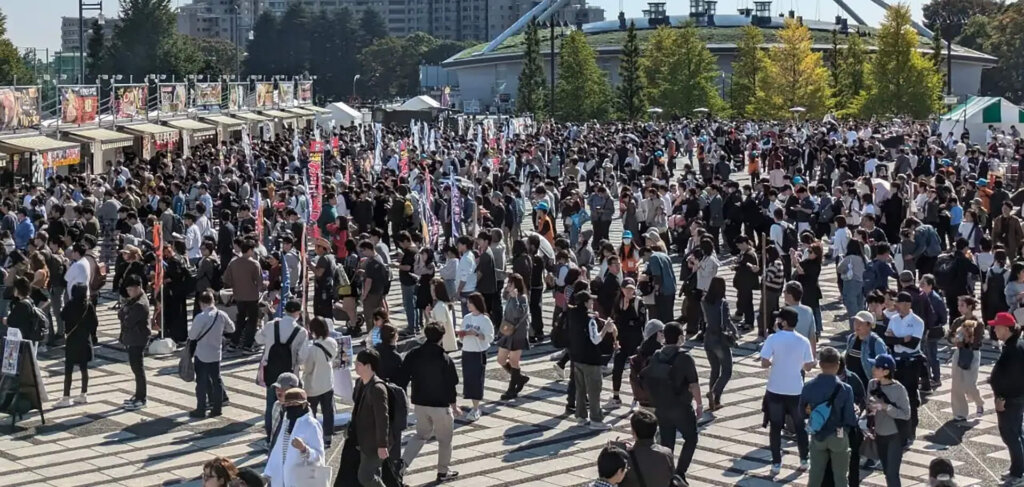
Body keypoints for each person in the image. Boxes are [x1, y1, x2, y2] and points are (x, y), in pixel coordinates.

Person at [400, 322, 461, 483]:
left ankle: (401, 466)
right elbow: (451, 384)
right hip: (440, 406)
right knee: (445, 440)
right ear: (442, 337)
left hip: (420, 404)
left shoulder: (414, 354)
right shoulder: (444, 358)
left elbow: (403, 377)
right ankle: (443, 471)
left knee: (420, 435)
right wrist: (454, 405)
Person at [760, 307, 814, 476]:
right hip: (795, 389)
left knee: (775, 426)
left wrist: (775, 362)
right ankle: (804, 459)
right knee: (800, 426)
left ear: (783, 322)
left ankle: (776, 463)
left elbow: (764, 362)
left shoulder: (773, 338)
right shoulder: (803, 340)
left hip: (775, 388)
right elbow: (809, 366)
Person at [644, 322, 701, 480]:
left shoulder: (656, 355)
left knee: (667, 444)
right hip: (681, 406)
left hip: (661, 406)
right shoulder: (685, 358)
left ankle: (666, 475)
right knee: (691, 438)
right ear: (680, 338)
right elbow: (694, 384)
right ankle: (680, 473)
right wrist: (700, 405)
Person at [800, 346, 858, 487]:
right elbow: (850, 418)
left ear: (820, 364)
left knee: (815, 475)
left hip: (818, 435)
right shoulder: (845, 389)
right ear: (838, 365)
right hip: (838, 435)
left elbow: (801, 413)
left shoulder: (808, 387)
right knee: (841, 478)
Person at [257, 300, 308, 442]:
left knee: (271, 403)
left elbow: (258, 339)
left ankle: (270, 435)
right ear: (298, 313)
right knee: (290, 403)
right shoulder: (301, 331)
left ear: (285, 310)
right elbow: (302, 357)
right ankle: (288, 432)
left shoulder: (271, 325)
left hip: (271, 369)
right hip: (290, 372)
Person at [568, 291, 615, 430]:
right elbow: (595, 339)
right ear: (585, 303)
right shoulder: (590, 320)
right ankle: (596, 419)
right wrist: (606, 328)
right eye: (590, 301)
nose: (592, 303)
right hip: (590, 359)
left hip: (576, 357)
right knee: (594, 390)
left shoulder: (572, 314)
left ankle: (581, 416)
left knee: (580, 389)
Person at [263, 388, 326, 487]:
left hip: (302, 480)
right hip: (281, 480)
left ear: (304, 405)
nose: (291, 408)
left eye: (294, 405)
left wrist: (304, 449)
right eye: (288, 405)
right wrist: (267, 474)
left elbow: (319, 456)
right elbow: (277, 452)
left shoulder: (311, 425)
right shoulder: (285, 422)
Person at [988, 311, 1024, 484]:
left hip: (1010, 399)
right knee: (1016, 433)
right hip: (1015, 397)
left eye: (997, 327)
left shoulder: (1012, 350)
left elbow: (1011, 378)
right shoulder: (1015, 345)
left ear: (1006, 329)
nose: (994, 330)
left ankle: (1018, 474)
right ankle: (1018, 467)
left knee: (1010, 434)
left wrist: (1001, 398)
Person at [188, 290, 236, 418]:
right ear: (213, 301)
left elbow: (192, 335)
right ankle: (217, 408)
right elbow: (232, 328)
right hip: (216, 353)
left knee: (201, 382)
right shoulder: (221, 315)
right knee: (217, 380)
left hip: (202, 353)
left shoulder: (200, 317)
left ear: (201, 303)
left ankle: (201, 408)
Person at [867, 354, 911, 487]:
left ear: (886, 372)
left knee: (892, 473)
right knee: (886, 471)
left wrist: (886, 407)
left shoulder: (899, 389)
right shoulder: (872, 384)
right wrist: (871, 408)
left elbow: (906, 414)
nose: (873, 368)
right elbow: (868, 403)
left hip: (895, 435)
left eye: (876, 367)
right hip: (879, 434)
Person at [53, 283, 97, 408]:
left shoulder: (70, 305)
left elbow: (62, 316)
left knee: (69, 368)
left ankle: (66, 396)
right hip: (85, 340)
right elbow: (95, 322)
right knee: (84, 368)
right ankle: (83, 394)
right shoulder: (88, 305)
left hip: (72, 339)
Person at [351, 349, 391, 487]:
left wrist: (382, 445)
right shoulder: (360, 383)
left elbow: (382, 418)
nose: (355, 366)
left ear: (368, 366)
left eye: (358, 364)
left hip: (373, 442)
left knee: (365, 476)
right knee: (374, 472)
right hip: (363, 439)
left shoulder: (377, 388)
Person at [301, 317, 338, 448]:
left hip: (313, 386)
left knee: (312, 413)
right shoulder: (332, 342)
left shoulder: (313, 349)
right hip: (328, 383)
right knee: (328, 411)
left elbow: (308, 368)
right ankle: (328, 436)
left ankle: (313, 436)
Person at [222, 239, 264, 353]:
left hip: (239, 296)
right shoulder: (255, 264)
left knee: (240, 320)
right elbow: (260, 283)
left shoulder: (233, 262)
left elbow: (226, 280)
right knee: (252, 321)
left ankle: (234, 343)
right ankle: (247, 345)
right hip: (252, 297)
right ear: (250, 250)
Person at [616, 409, 675, 487]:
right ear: (655, 431)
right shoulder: (667, 453)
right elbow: (671, 476)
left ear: (633, 432)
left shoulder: (626, 458)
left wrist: (616, 449)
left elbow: (614, 480)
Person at [947, 296, 984, 421]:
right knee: (956, 383)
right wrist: (954, 339)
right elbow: (950, 335)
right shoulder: (958, 321)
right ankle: (960, 412)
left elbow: (977, 342)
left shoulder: (978, 323)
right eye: (958, 305)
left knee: (970, 383)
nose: (959, 308)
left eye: (962, 305)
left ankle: (979, 402)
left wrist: (965, 338)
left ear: (970, 306)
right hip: (959, 353)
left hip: (972, 353)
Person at [610, 278, 645, 407]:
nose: (629, 291)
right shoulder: (618, 301)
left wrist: (626, 316)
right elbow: (615, 319)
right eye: (627, 289)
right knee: (617, 368)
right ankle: (615, 396)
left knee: (635, 371)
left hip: (635, 340)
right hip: (621, 340)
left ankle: (637, 397)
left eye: (632, 289)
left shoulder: (638, 302)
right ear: (622, 289)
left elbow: (641, 322)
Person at [702, 276, 736, 411]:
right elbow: (727, 321)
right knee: (727, 370)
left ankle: (714, 402)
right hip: (719, 340)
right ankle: (714, 392)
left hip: (708, 338)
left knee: (715, 369)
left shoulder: (704, 300)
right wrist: (735, 332)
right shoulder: (723, 303)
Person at [459, 292, 493, 421]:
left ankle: (476, 407)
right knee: (468, 378)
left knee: (477, 379)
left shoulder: (485, 319)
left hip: (478, 352)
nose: (468, 305)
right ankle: (471, 402)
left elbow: (489, 337)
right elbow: (462, 333)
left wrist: (477, 334)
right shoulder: (467, 317)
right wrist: (463, 334)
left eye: (470, 303)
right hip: (467, 350)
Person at [118, 275, 150, 411]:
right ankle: (138, 394)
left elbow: (127, 321)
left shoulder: (139, 304)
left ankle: (141, 397)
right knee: (135, 368)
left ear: (138, 288)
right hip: (133, 337)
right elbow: (121, 313)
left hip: (138, 338)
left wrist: (124, 314)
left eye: (131, 290)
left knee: (138, 368)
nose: (129, 292)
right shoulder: (134, 301)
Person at [497, 273, 531, 400]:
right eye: (508, 283)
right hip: (507, 331)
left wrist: (515, 298)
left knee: (514, 361)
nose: (508, 286)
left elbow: (518, 313)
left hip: (518, 333)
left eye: (510, 284)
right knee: (501, 359)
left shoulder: (522, 298)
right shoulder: (510, 296)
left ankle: (511, 390)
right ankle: (519, 378)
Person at [846, 311, 889, 388]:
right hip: (851, 382)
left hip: (868, 384)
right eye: (856, 322)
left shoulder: (876, 342)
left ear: (869, 325)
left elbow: (883, 365)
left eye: (861, 323)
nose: (857, 325)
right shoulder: (851, 338)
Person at [426, 278, 458, 353]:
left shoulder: (440, 306)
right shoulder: (442, 303)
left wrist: (428, 315)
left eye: (434, 290)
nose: (432, 293)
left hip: (442, 342)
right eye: (431, 290)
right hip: (442, 342)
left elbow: (439, 326)